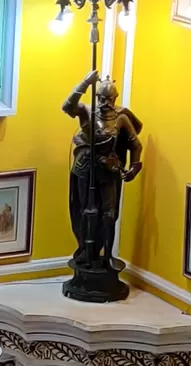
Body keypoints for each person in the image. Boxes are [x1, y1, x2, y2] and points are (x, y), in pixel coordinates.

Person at [62, 71, 146, 301]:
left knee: (109, 214)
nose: (105, 102)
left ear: (115, 98)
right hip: (85, 169)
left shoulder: (121, 118)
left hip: (108, 171)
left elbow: (135, 145)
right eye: (101, 98)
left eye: (109, 99)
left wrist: (134, 167)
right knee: (86, 211)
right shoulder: (86, 111)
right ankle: (87, 251)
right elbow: (67, 106)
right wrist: (85, 83)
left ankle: (107, 254)